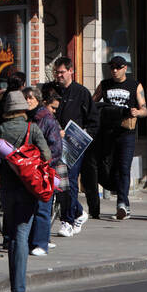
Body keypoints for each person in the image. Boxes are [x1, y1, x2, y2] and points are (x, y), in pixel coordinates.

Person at [0, 90, 50, 292]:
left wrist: (5, 165)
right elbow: (47, 156)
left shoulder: (0, 130)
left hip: (8, 189)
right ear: (24, 109)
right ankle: (19, 290)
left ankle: (15, 287)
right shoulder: (32, 129)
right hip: (28, 188)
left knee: (12, 235)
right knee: (22, 234)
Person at [95, 56, 147, 220]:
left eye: (118, 67)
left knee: (123, 167)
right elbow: (92, 103)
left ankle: (122, 204)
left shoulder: (134, 85)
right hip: (108, 132)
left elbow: (144, 109)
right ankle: (122, 202)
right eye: (112, 68)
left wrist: (137, 112)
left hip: (126, 133)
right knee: (108, 168)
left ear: (125, 68)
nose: (114, 71)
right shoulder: (104, 85)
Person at [52, 57, 96, 236]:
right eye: (57, 72)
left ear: (71, 71)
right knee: (58, 182)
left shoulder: (81, 93)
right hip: (54, 142)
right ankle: (78, 211)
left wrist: (82, 137)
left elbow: (93, 121)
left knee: (69, 180)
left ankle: (67, 221)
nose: (59, 76)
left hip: (74, 144)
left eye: (62, 72)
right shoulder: (53, 90)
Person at [25, 85, 62, 255]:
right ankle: (30, 240)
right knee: (29, 206)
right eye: (25, 98)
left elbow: (55, 147)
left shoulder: (46, 119)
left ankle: (40, 243)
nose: (27, 101)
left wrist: (43, 164)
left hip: (43, 169)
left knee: (42, 206)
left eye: (30, 98)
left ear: (38, 100)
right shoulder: (26, 118)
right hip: (27, 168)